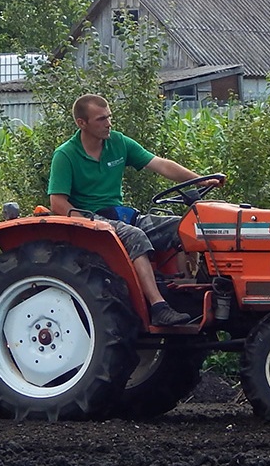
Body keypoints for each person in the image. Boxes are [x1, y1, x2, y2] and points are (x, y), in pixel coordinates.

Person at [48, 93, 222, 326]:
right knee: (135, 236)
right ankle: (158, 306)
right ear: (82, 123)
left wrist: (200, 180)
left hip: (119, 214)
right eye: (101, 119)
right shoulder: (66, 155)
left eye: (109, 117)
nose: (108, 123)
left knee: (184, 226)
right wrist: (86, 221)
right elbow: (57, 202)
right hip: (91, 221)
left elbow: (160, 164)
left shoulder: (118, 143)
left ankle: (186, 290)